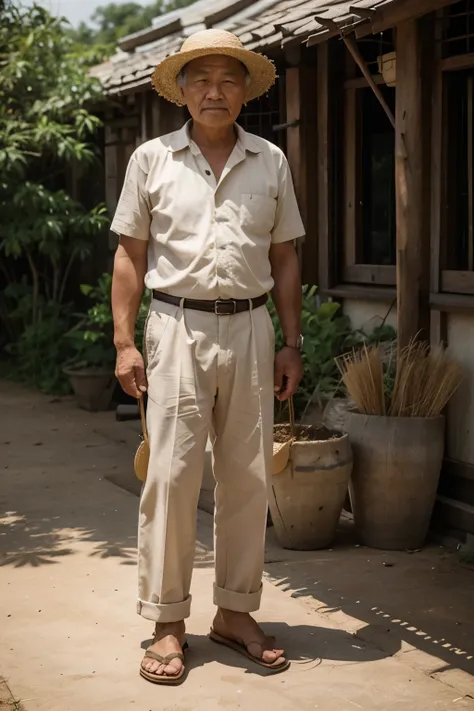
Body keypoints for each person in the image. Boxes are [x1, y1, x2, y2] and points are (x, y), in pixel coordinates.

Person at [111, 28, 305, 686]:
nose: (214, 90)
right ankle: (168, 620)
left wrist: (291, 339)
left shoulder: (270, 161)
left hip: (250, 329)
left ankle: (234, 610)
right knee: (170, 474)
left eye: (228, 78)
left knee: (248, 475)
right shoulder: (152, 161)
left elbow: (284, 257)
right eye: (201, 79)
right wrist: (125, 340)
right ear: (182, 92)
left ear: (245, 90)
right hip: (175, 327)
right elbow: (130, 254)